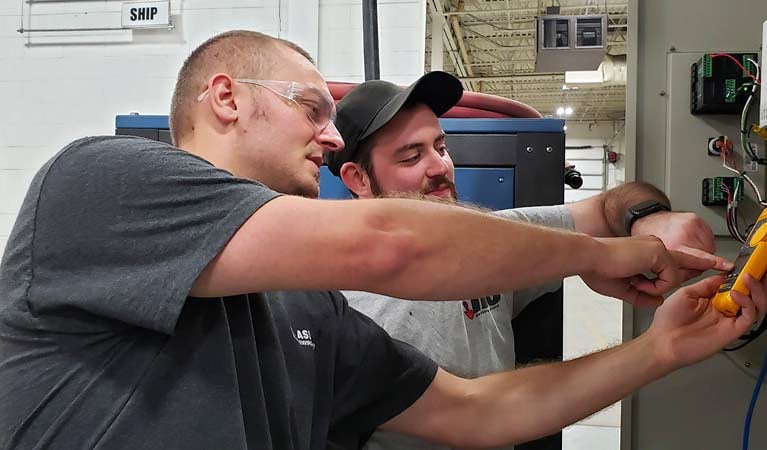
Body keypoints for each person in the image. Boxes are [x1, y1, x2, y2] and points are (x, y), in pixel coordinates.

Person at [0, 30, 759, 450]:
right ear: (226, 98)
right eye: (308, 105)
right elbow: (393, 246)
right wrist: (608, 256)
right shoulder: (102, 181)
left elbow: (477, 412)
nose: (329, 136)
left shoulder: (310, 310)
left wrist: (656, 350)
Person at [325, 72, 732, 449]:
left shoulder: (497, 237)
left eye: (441, 147)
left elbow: (613, 203)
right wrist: (598, 263)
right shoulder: (346, 305)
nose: (440, 167)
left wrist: (648, 219)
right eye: (411, 157)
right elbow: (477, 412)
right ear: (358, 179)